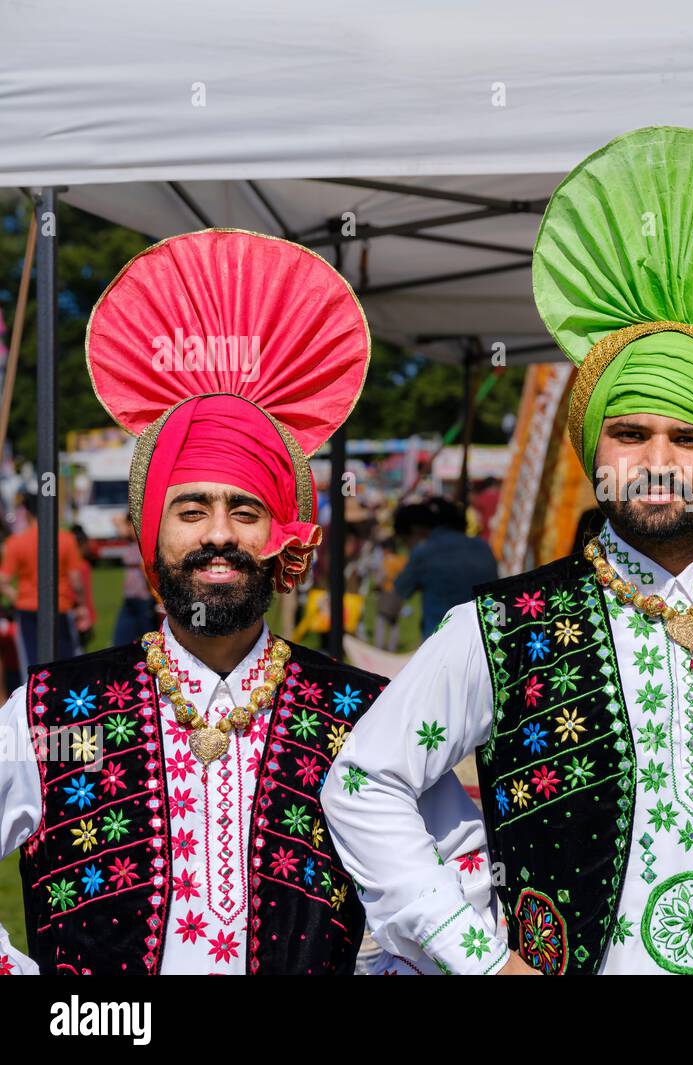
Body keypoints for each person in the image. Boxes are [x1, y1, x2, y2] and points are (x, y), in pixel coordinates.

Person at [323, 126, 693, 975]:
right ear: (596, 453)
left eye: (688, 435)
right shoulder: (504, 625)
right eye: (630, 433)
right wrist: (479, 956)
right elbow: (365, 781)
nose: (659, 462)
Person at [0, 229, 477, 976]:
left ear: (281, 537)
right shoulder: (58, 715)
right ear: (147, 534)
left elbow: (466, 875)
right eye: (191, 510)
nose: (218, 536)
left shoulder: (363, 716)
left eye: (245, 511)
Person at [0, 493, 86, 670]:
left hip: (28, 609)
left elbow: (3, 580)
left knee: (32, 665)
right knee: (68, 664)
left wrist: (18, 597)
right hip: (60, 605)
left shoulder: (16, 542)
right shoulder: (66, 539)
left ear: (28, 513)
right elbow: (76, 581)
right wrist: (81, 604)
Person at [392, 499, 498, 641]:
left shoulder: (425, 552)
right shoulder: (483, 547)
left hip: (444, 644)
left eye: (405, 542)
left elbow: (393, 601)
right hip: (488, 640)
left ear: (417, 531)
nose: (407, 548)